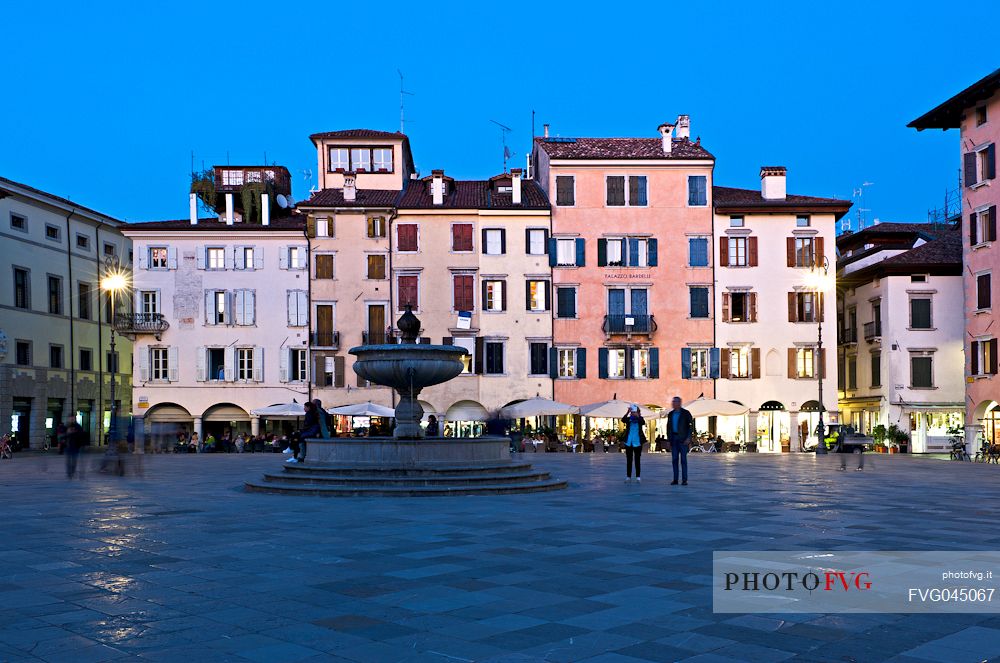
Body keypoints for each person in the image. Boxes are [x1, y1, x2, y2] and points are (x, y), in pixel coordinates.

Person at [665, 396, 695, 485]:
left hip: (683, 439)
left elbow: (691, 426)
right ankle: (675, 479)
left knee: (683, 460)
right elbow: (668, 427)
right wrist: (668, 440)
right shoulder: (670, 414)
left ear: (679, 403)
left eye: (675, 402)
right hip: (673, 439)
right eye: (673, 402)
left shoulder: (686, 413)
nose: (673, 403)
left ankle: (684, 480)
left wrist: (688, 438)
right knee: (674, 459)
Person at [621, 404, 646, 483]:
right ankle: (628, 476)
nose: (633, 413)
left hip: (637, 442)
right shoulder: (629, 419)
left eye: (634, 412)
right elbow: (623, 420)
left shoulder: (640, 419)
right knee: (629, 460)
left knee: (637, 460)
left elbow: (643, 422)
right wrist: (627, 412)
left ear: (638, 412)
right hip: (629, 442)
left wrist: (637, 415)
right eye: (632, 412)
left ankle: (638, 477)